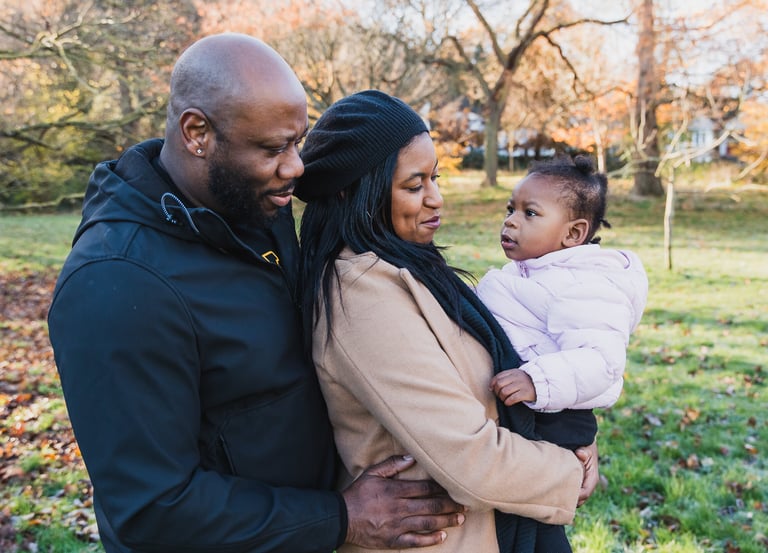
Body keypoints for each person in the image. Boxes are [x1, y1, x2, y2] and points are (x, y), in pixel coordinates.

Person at [47, 33, 470, 553]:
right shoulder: (114, 285)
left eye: (298, 141)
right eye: (273, 148)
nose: (296, 167)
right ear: (197, 132)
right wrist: (340, 518)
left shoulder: (253, 206)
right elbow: (151, 507)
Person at [294, 90, 599, 553]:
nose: (436, 200)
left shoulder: (406, 267)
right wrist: (567, 469)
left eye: (434, 178)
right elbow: (469, 458)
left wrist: (572, 432)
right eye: (414, 186)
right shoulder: (361, 294)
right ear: (351, 190)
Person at [476, 155, 648, 551]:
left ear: (573, 234)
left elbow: (601, 363)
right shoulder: (533, 272)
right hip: (528, 418)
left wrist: (537, 380)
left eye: (530, 213)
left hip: (554, 423)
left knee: (538, 531)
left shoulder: (584, 285)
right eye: (510, 209)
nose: (511, 221)